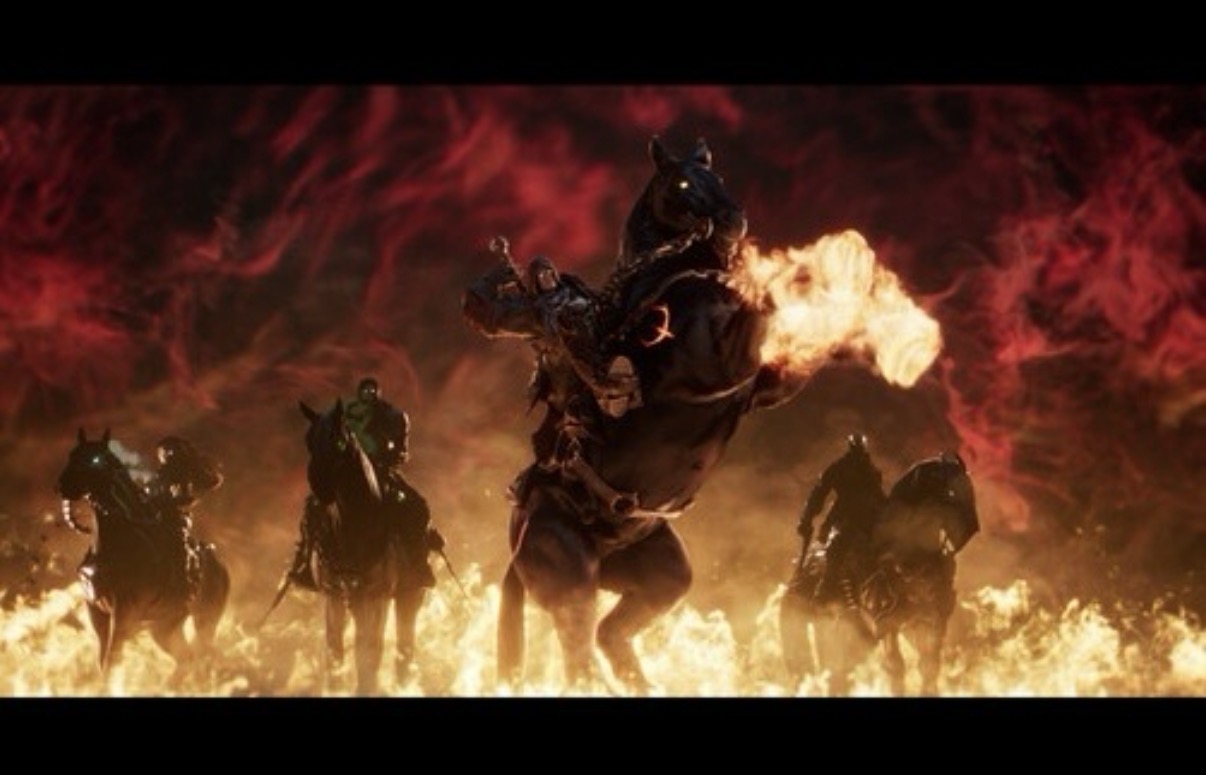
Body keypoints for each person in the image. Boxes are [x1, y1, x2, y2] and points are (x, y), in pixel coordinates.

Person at [287, 378, 442, 591]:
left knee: (416, 506)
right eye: (365, 390)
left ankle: (418, 565)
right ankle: (305, 563)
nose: (368, 394)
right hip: (345, 475)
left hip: (382, 472)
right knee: (313, 507)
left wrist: (387, 459)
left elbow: (401, 451)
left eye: (372, 390)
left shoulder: (393, 416)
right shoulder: (344, 415)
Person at [796, 433, 887, 603]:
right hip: (844, 517)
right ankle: (825, 592)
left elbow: (878, 496)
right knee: (836, 550)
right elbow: (819, 493)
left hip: (868, 519)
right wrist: (806, 518)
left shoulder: (871, 470)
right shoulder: (841, 468)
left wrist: (889, 515)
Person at [145, 436, 223, 598]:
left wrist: (170, 502)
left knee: (176, 544)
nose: (163, 455)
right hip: (152, 518)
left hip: (174, 518)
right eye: (162, 452)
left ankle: (183, 587)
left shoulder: (184, 473)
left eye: (167, 451)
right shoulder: (160, 475)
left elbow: (187, 498)